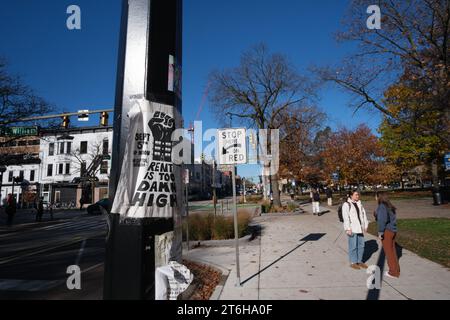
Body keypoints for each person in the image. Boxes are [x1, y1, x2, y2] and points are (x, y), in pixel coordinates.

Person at [375, 192, 400, 279]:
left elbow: (382, 220)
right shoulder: (389, 206)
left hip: (387, 231)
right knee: (392, 251)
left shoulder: (382, 206)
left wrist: (380, 232)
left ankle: (393, 272)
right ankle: (396, 270)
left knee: (389, 252)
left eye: (376, 196)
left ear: (379, 197)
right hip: (393, 230)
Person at [342, 190, 369, 270]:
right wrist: (347, 228)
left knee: (361, 245)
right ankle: (353, 262)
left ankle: (359, 261)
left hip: (360, 228)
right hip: (352, 228)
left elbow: (364, 215)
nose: (358, 196)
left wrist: (365, 225)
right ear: (351, 195)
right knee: (353, 246)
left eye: (358, 195)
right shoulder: (346, 205)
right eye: (356, 195)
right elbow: (345, 217)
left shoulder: (359, 203)